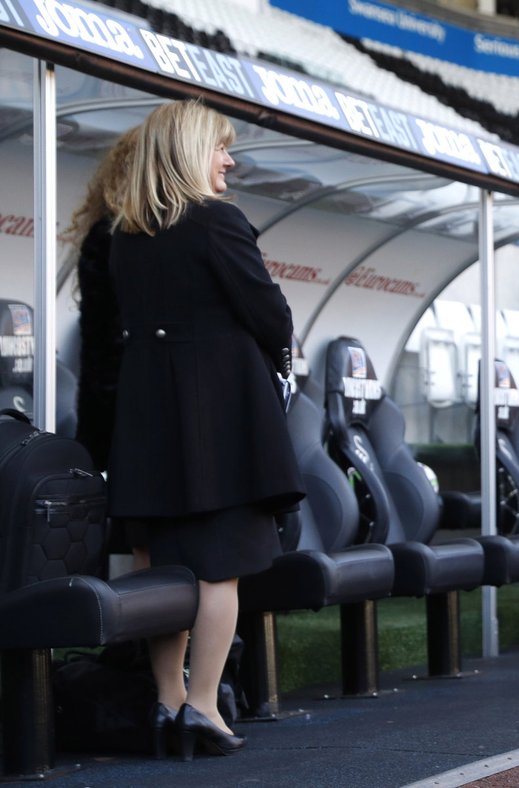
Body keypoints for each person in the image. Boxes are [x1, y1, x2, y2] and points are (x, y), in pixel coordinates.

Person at [103, 100, 304, 760]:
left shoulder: (125, 235)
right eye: (220, 148)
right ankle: (202, 706)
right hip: (221, 420)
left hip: (146, 421)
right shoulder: (217, 221)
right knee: (220, 572)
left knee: (160, 567)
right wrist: (274, 356)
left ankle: (165, 704)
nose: (230, 160)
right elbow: (271, 315)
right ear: (190, 151)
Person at [69, 128, 138, 474]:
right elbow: (107, 341)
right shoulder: (112, 235)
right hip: (119, 411)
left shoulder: (111, 232)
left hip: (112, 408)